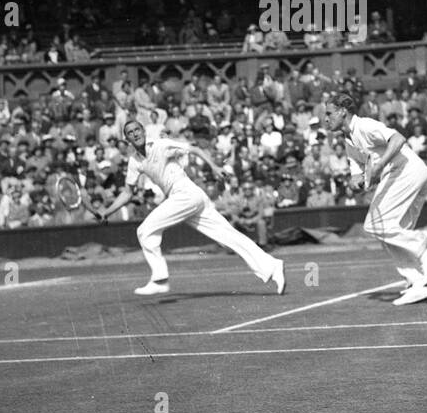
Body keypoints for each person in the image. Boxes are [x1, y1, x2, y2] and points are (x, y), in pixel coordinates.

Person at [97, 120, 286, 296]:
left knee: (144, 231)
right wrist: (107, 212)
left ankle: (160, 278)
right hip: (188, 199)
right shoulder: (134, 161)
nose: (135, 134)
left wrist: (213, 167)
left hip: (186, 194)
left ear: (144, 131)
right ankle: (272, 266)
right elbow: (127, 193)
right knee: (228, 236)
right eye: (130, 132)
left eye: (137, 129)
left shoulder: (161, 145)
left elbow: (194, 149)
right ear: (127, 138)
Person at [324, 91, 427, 306]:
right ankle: (417, 284)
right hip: (411, 174)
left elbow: (398, 138)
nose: (326, 118)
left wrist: (379, 166)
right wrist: (357, 183)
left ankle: (423, 251)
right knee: (389, 235)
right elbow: (357, 175)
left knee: (373, 225)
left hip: (407, 172)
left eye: (329, 113)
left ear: (343, 112)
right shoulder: (348, 140)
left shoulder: (365, 125)